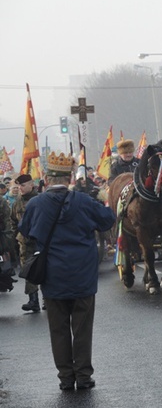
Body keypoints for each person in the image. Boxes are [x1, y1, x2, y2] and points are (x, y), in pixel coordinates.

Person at [18, 152, 115, 390]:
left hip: (52, 275)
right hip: (82, 274)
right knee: (82, 328)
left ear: (47, 179)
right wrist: (104, 200)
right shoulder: (83, 201)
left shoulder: (35, 204)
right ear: (70, 176)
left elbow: (26, 231)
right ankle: (83, 376)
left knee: (58, 328)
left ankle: (65, 377)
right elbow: (107, 220)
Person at [11, 174, 40, 313]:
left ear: (31, 184)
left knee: (45, 268)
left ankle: (49, 299)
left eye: (22, 186)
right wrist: (12, 241)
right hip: (25, 242)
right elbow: (13, 222)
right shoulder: (17, 202)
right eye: (18, 186)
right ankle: (33, 300)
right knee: (28, 271)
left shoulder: (40, 199)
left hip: (40, 240)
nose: (20, 189)